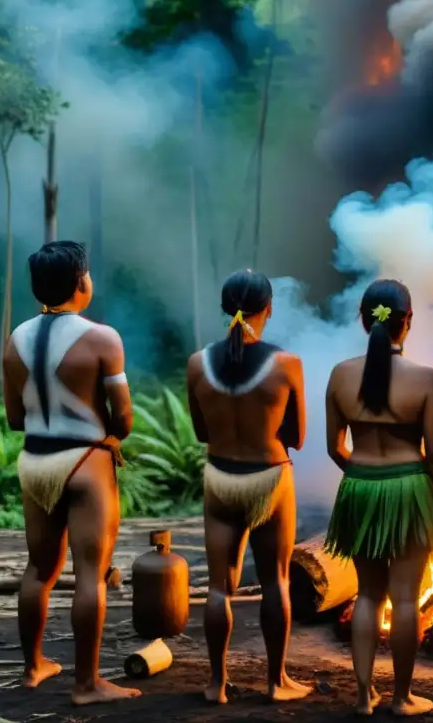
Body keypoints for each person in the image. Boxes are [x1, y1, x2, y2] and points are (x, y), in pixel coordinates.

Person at [2, 241, 139, 706]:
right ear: (81, 283)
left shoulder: (15, 339)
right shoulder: (102, 338)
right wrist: (109, 433)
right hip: (85, 462)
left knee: (38, 570)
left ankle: (33, 666)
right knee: (89, 576)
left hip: (36, 462)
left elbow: (14, 418)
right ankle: (87, 683)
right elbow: (123, 419)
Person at [323, 279, 433, 717]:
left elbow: (334, 447)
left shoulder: (341, 375)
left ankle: (363, 696)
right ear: (409, 321)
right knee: (404, 600)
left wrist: (362, 477)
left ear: (363, 320)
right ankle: (402, 697)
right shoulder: (425, 379)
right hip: (410, 488)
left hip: (359, 486)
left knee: (366, 595)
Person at [186, 269, 310, 705]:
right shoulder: (286, 364)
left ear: (225, 308)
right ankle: (277, 682)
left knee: (220, 585)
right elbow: (296, 437)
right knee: (276, 582)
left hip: (220, 478)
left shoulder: (198, 363)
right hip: (269, 478)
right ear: (268, 310)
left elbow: (202, 433)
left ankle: (216, 684)